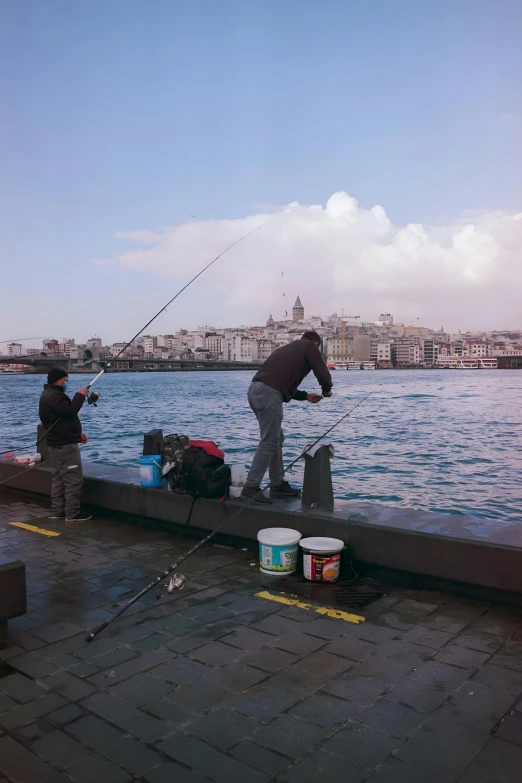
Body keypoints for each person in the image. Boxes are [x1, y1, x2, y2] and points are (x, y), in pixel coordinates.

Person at [240, 331, 333, 504]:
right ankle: (250, 489)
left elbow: (281, 383)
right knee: (269, 441)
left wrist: (305, 396)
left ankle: (277, 485)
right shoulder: (309, 346)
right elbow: (322, 370)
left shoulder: (288, 349)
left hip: (256, 391)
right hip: (268, 394)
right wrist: (326, 389)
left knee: (276, 438)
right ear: (315, 344)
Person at [39, 368, 91, 522]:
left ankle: (58, 511)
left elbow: (61, 419)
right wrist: (80, 395)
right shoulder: (55, 396)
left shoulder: (47, 395)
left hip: (56, 444)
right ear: (59, 380)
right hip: (65, 446)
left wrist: (76, 434)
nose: (66, 383)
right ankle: (72, 513)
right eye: (65, 380)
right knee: (73, 479)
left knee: (59, 479)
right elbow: (70, 411)